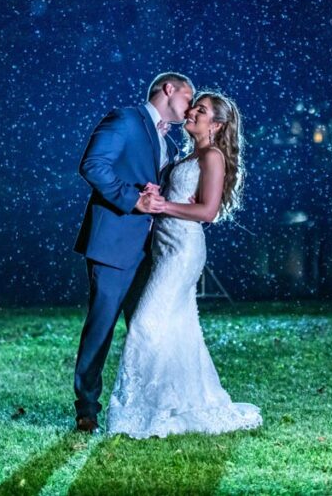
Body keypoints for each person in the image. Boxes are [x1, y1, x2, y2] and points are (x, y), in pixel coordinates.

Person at [106, 91, 262, 438]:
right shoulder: (187, 155)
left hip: (182, 250)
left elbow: (207, 211)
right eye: (193, 107)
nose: (191, 112)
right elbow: (175, 196)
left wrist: (164, 206)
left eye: (201, 110)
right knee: (176, 328)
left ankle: (137, 410)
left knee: (146, 323)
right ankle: (172, 402)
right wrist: (157, 194)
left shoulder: (212, 156)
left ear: (216, 125)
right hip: (164, 247)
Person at [72, 72, 195, 434]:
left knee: (148, 328)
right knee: (102, 325)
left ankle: (147, 403)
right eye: (188, 97)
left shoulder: (167, 141)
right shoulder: (125, 119)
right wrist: (133, 199)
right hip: (115, 243)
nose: (191, 107)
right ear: (169, 89)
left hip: (152, 249)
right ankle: (87, 408)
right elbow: (93, 165)